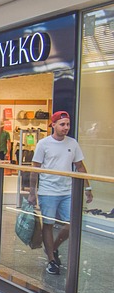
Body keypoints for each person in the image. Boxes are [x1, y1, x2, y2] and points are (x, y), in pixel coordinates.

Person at [29, 111, 92, 276]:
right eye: (62, 124)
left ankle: (53, 248)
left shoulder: (73, 143)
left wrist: (88, 188)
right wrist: (32, 192)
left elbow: (80, 167)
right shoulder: (43, 144)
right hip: (48, 191)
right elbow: (34, 169)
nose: (66, 128)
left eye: (68, 124)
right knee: (48, 225)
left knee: (73, 223)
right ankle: (51, 260)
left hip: (67, 191)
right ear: (53, 125)